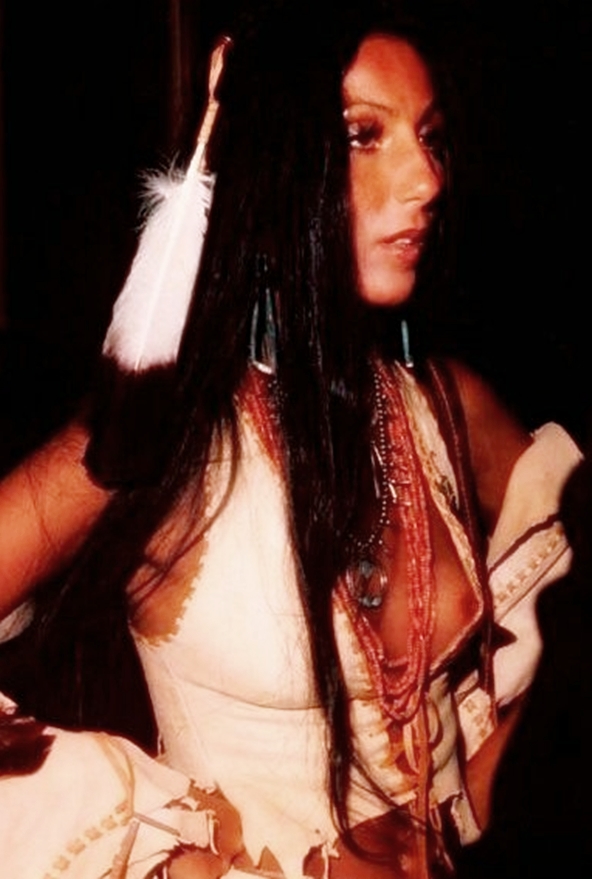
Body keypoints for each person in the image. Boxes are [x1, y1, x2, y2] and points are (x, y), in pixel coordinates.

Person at [0, 2, 581, 877]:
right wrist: (168, 860)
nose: (425, 177)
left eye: (430, 138)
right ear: (271, 162)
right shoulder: (165, 432)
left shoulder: (448, 408)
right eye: (363, 135)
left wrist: (482, 809)